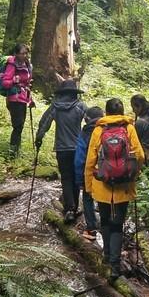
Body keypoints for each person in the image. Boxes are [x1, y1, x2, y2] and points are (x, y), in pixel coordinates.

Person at [84, 98, 144, 281]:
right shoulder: (129, 128)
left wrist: (88, 186)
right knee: (118, 223)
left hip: (102, 184)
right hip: (124, 185)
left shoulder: (98, 130)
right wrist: (133, 172)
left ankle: (107, 256)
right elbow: (140, 155)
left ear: (106, 112)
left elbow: (90, 160)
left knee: (104, 220)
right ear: (122, 111)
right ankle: (115, 267)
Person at [36, 79, 87, 223]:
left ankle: (69, 209)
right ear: (74, 93)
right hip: (77, 148)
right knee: (76, 178)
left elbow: (44, 123)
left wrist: (39, 138)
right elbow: (92, 119)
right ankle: (74, 207)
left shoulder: (55, 107)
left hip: (61, 148)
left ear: (62, 93)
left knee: (65, 178)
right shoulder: (80, 106)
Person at [74, 106, 104, 241]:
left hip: (91, 173)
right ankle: (108, 231)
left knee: (87, 198)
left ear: (88, 119)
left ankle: (91, 229)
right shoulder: (109, 129)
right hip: (109, 173)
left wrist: (80, 179)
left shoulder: (86, 132)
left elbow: (80, 158)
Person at [0, 44, 34, 157]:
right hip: (14, 99)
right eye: (22, 53)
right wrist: (14, 80)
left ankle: (15, 150)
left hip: (23, 98)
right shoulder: (11, 65)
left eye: (26, 53)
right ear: (16, 53)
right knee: (18, 126)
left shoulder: (27, 64)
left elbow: (27, 84)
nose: (24, 55)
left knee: (20, 126)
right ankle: (13, 152)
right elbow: (5, 83)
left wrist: (30, 99)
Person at [130, 94, 149, 162]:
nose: (133, 111)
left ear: (139, 107)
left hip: (145, 156)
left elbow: (135, 142)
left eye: (133, 107)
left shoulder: (141, 122)